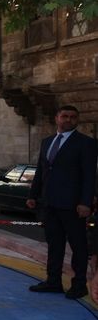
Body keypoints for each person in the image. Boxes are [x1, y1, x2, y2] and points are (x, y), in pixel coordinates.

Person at [27, 105, 97, 300]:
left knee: (78, 246)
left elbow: (89, 176)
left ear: (77, 120)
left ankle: (79, 284)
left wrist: (85, 202)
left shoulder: (86, 143)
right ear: (56, 118)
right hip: (49, 204)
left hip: (73, 205)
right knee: (54, 244)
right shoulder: (47, 142)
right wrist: (33, 195)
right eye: (64, 116)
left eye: (73, 117)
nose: (68, 120)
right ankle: (53, 281)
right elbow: (41, 171)